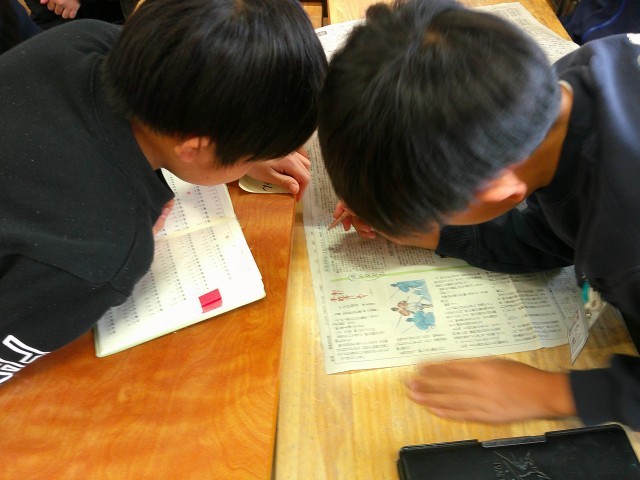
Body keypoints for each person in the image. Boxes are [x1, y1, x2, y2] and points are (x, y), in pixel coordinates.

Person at [318, 0, 640, 429]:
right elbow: (553, 233)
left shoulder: (625, 243)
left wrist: (556, 393)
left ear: (501, 191)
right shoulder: (561, 86)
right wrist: (431, 232)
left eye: (429, 210)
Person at [0, 0, 327, 383]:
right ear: (194, 147)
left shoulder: (88, 38)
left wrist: (236, 148)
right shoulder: (105, 252)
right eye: (251, 155)